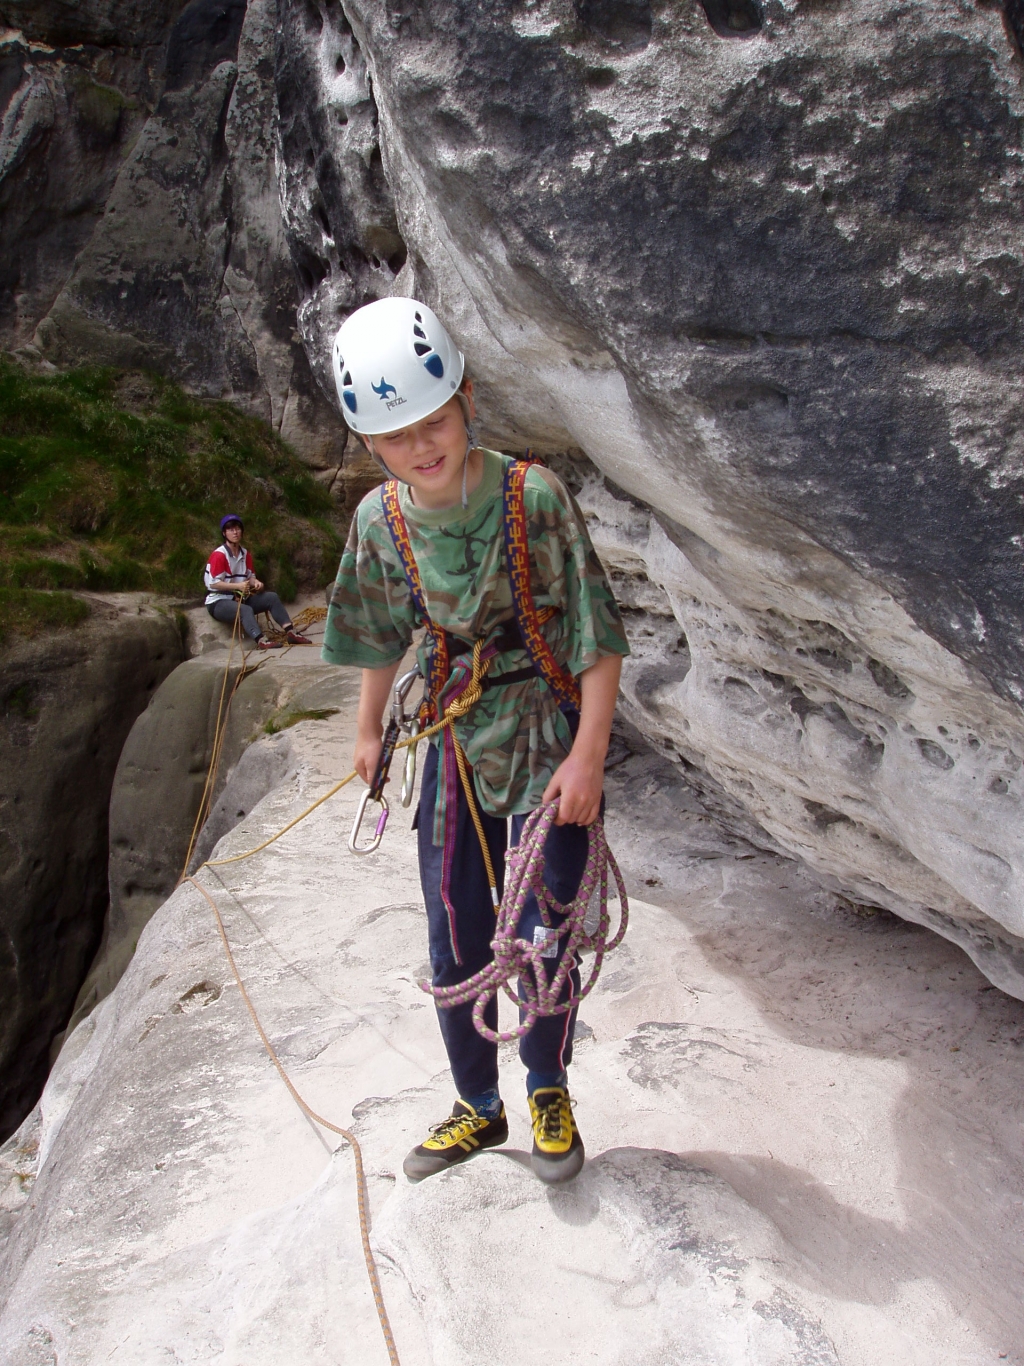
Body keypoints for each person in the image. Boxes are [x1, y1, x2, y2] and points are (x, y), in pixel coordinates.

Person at [322, 297, 628, 1185]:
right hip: (453, 736)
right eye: (398, 437)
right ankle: (477, 1106)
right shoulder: (382, 523)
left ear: (465, 401)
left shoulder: (533, 498)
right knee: (455, 926)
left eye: (437, 420)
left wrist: (590, 755)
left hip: (542, 729)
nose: (424, 445)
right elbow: (379, 632)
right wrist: (369, 727)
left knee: (551, 921)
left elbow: (595, 635)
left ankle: (545, 1087)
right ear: (371, 447)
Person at [205, 514, 311, 649]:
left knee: (271, 597)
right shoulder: (219, 555)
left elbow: (250, 577)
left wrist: (256, 583)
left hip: (240, 597)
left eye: (237, 529)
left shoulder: (245, 554)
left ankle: (291, 632)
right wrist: (237, 586)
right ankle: (261, 640)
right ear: (224, 533)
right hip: (218, 601)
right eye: (231, 529)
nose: (235, 532)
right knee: (245, 610)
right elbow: (213, 583)